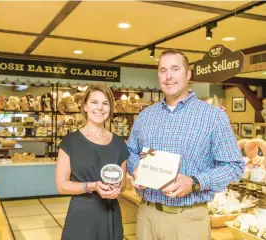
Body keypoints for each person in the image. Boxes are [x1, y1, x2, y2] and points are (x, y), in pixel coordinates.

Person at [127, 49, 245, 240]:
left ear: (188, 74)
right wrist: (136, 169)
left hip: (188, 220)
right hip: (146, 215)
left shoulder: (213, 116)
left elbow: (234, 166)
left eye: (175, 69)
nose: (168, 76)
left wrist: (195, 182)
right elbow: (130, 151)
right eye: (163, 70)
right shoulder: (146, 116)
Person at [56, 84, 129, 240]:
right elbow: (62, 185)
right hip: (82, 214)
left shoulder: (119, 143)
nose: (100, 108)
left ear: (110, 109)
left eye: (105, 103)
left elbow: (123, 184)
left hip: (110, 213)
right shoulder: (70, 142)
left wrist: (116, 188)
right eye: (94, 102)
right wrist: (92, 186)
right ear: (85, 107)